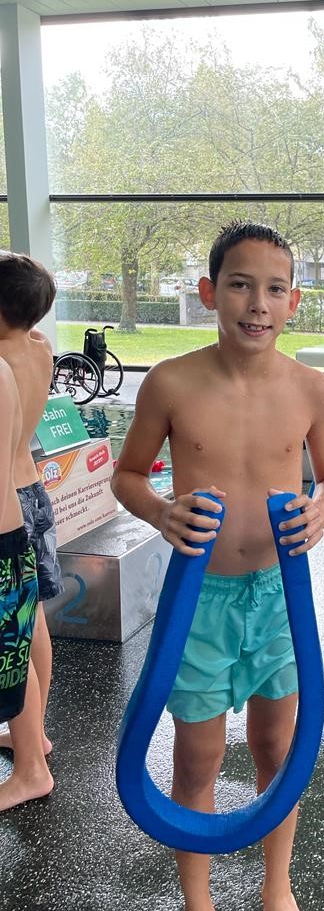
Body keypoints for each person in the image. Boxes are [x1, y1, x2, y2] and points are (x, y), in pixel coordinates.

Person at [112, 220, 324, 911]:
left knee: (277, 748)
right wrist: (162, 512)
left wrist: (321, 510)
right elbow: (127, 475)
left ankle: (278, 886)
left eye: (274, 290)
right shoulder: (170, 382)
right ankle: (198, 898)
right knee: (198, 758)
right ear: (210, 291)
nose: (257, 304)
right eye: (241, 285)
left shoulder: (310, 388)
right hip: (200, 599)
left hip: (278, 597)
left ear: (294, 301)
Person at [0, 252, 57, 811]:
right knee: (32, 619)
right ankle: (32, 735)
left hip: (6, 504)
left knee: (13, 634)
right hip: (33, 490)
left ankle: (30, 765)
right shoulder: (39, 349)